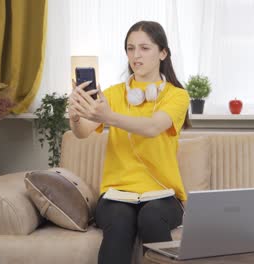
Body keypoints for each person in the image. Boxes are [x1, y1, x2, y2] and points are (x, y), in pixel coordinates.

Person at [67, 21, 190, 264]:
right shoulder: (112, 94)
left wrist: (109, 116)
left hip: (163, 195)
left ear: (163, 53)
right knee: (120, 219)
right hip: (116, 194)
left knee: (152, 217)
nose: (136, 55)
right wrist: (75, 116)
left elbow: (154, 127)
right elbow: (82, 132)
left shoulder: (177, 95)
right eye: (130, 48)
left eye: (144, 48)